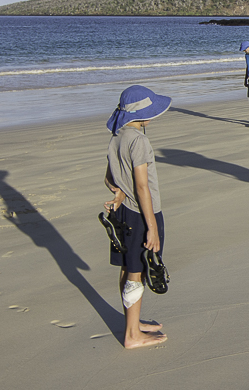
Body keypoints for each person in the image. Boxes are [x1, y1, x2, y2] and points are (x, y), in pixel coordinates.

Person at [103, 85, 171, 348]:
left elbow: (109, 178)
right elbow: (142, 187)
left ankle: (133, 322)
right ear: (141, 115)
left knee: (128, 266)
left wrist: (119, 192)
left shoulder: (117, 136)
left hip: (122, 212)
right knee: (137, 271)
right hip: (141, 214)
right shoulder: (139, 141)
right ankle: (132, 335)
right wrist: (151, 226)